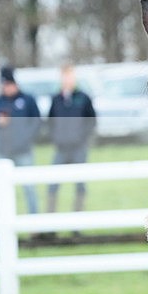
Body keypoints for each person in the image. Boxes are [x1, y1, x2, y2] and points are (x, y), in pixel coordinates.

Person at [0, 66, 41, 214]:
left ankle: (34, 223)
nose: (6, 88)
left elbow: (36, 122)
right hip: (3, 151)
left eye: (8, 84)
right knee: (2, 189)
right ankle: (2, 224)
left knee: (29, 187)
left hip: (23, 151)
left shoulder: (27, 100)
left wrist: (24, 138)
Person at [46, 63, 96, 215]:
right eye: (65, 77)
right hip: (61, 148)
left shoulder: (83, 98)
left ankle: (77, 222)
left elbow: (91, 121)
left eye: (71, 77)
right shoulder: (56, 100)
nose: (68, 80)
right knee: (53, 184)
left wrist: (82, 137)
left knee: (80, 185)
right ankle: (50, 220)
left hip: (78, 148)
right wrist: (56, 137)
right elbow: (51, 121)